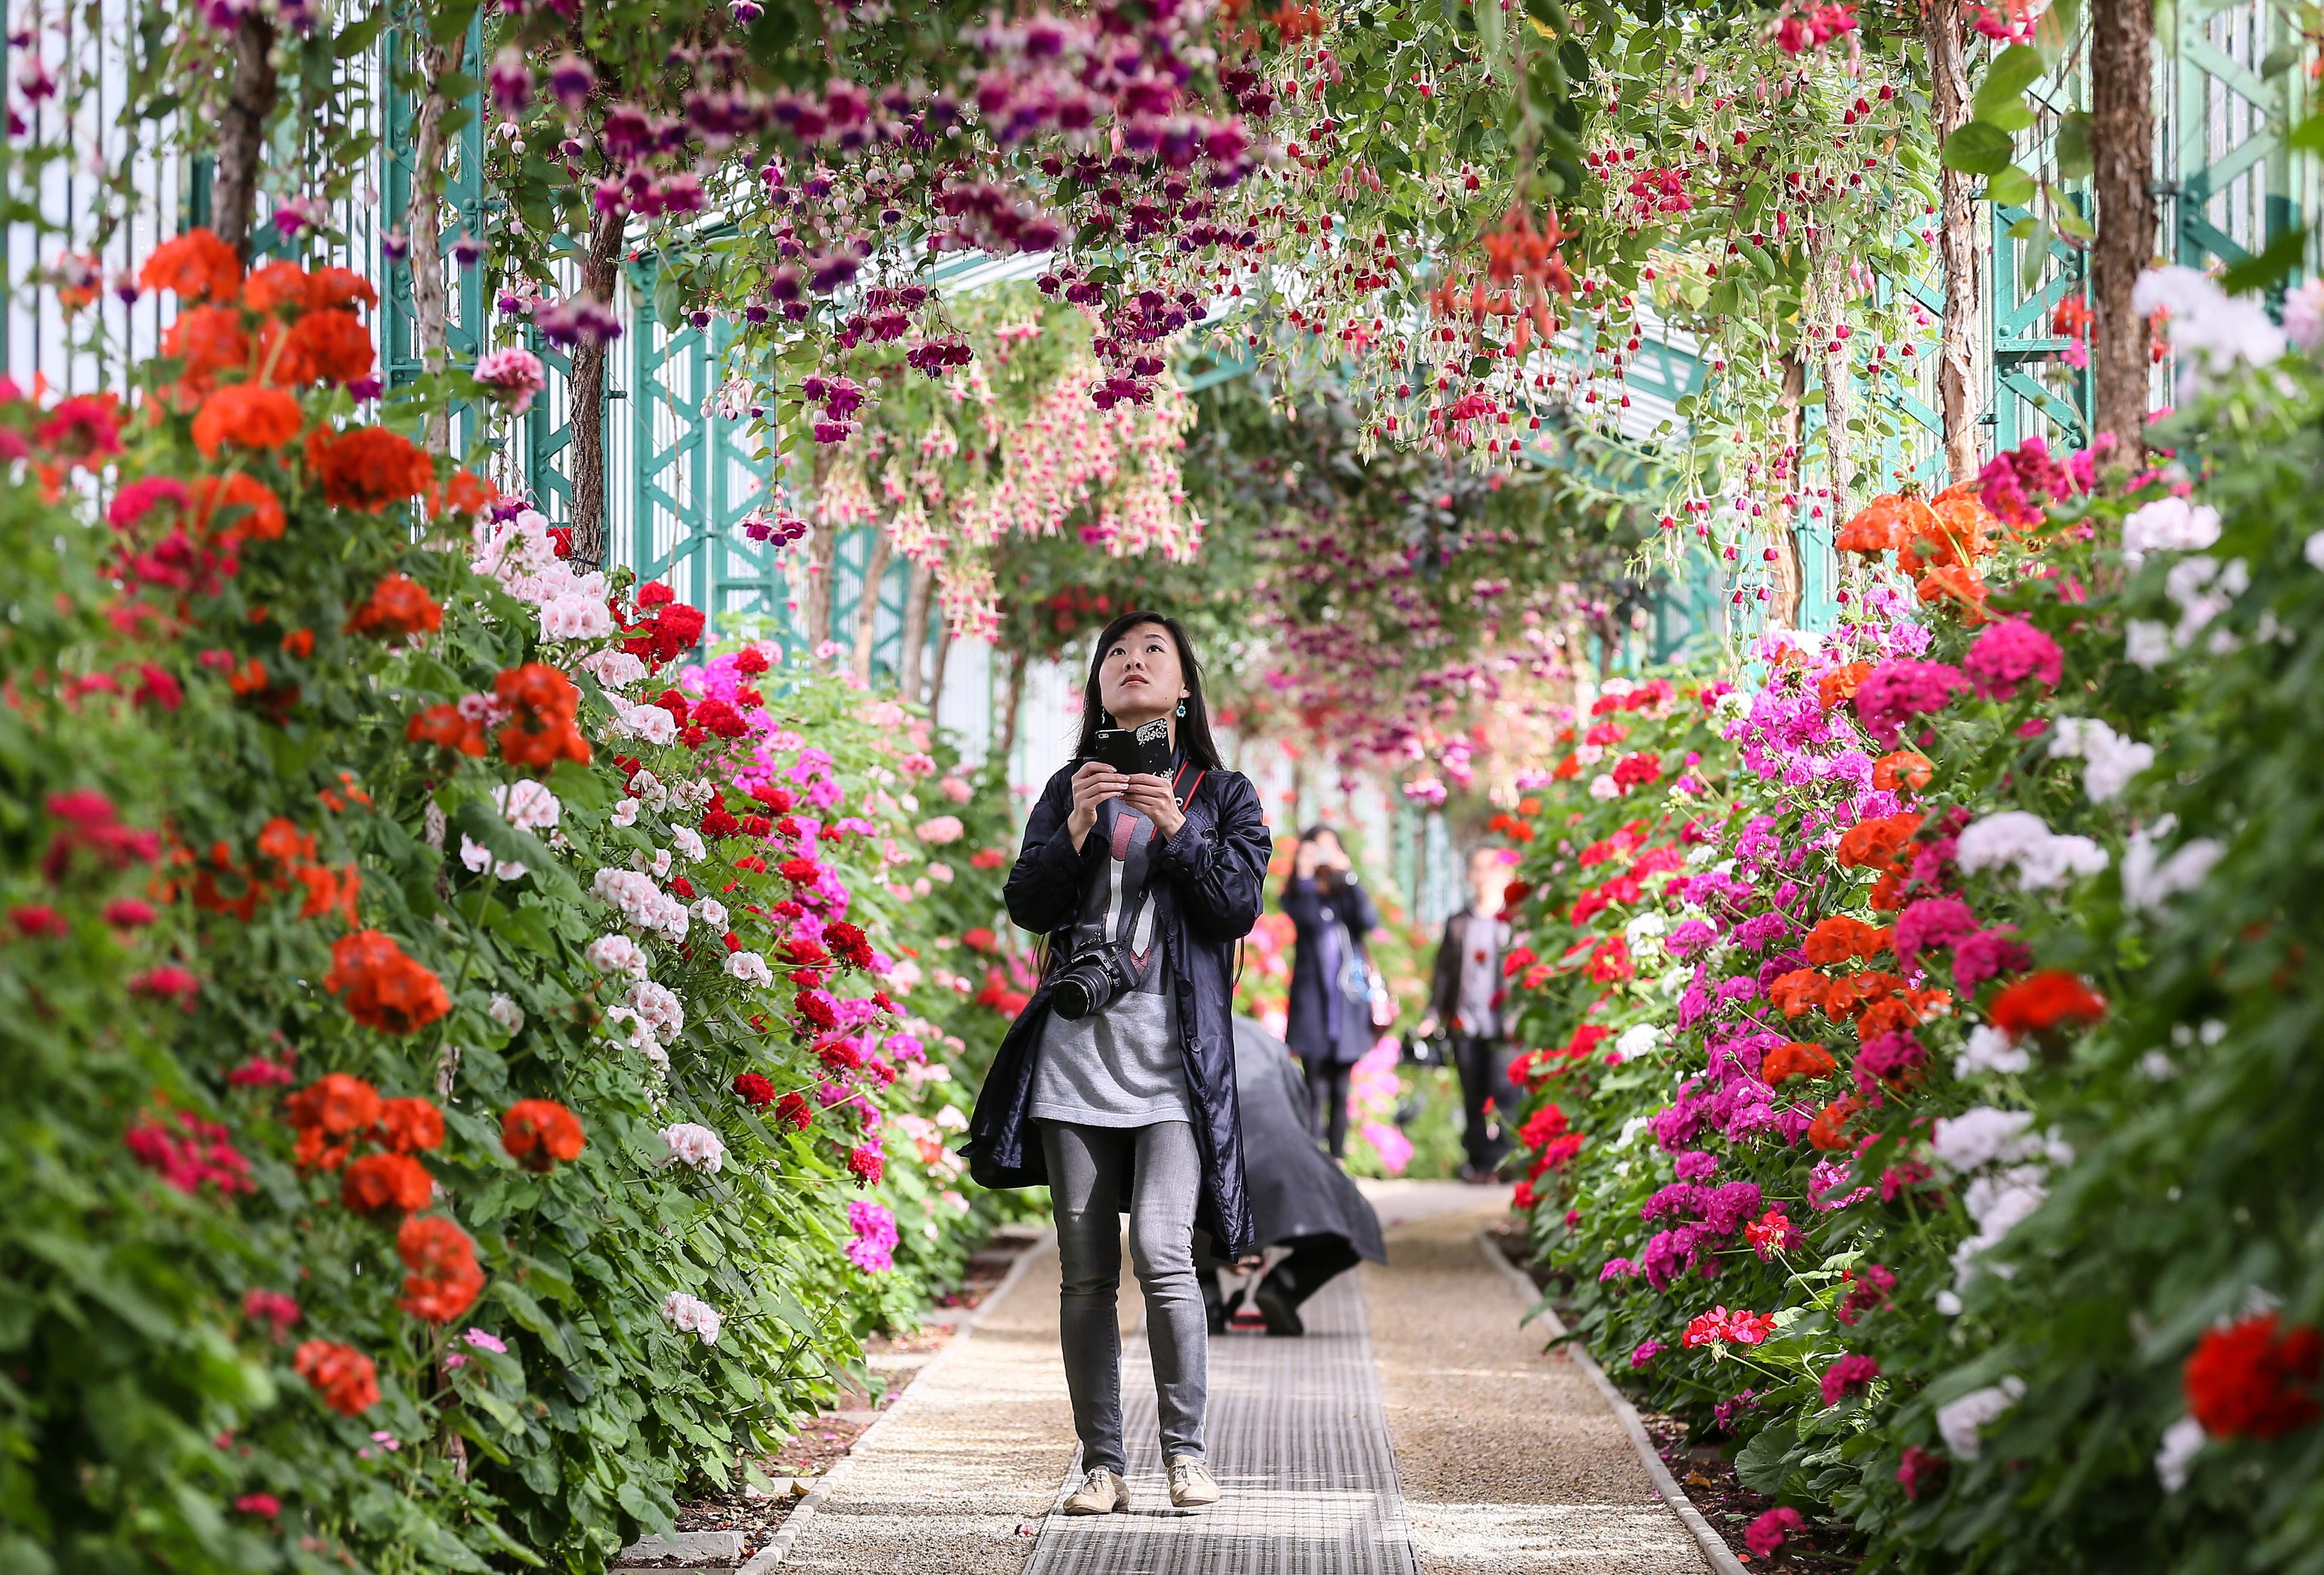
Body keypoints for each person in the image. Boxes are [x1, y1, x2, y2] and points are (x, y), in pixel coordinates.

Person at [963, 611, 1273, 1518]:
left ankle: (1186, 1454)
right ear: (1098, 687)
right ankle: (1102, 1464)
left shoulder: (1224, 792)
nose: (1132, 664)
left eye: (1153, 654)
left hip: (1173, 1065)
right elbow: (1026, 901)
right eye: (1116, 656)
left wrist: (1181, 828)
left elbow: (1236, 908)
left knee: (1165, 1257)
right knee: (1087, 1271)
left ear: (1183, 689)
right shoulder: (1070, 784)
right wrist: (1074, 826)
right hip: (1077, 1059)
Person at [1197, 1016, 1387, 1337]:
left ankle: (1207, 1301)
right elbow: (1300, 1114)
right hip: (1280, 1159)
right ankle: (1286, 1285)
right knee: (1356, 1221)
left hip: (1209, 1173)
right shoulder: (1261, 1038)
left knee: (1176, 1195)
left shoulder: (1185, 1032)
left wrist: (1228, 1245)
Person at [1419, 846, 1520, 1183]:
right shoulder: (1459, 922)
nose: (1483, 877)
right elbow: (1443, 973)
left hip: (1504, 1024)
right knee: (1473, 1095)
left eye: (1490, 869)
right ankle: (1479, 1163)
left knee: (1506, 1092)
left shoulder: (1514, 922)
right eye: (1477, 869)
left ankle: (1506, 1162)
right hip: (1467, 1021)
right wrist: (1434, 1014)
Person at [1279, 826, 1380, 1160]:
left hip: (1347, 1007)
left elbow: (1368, 920)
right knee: (1314, 1090)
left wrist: (1348, 876)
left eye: (1329, 849)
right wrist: (1305, 874)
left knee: (1341, 1090)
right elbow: (1305, 920)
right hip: (1314, 1008)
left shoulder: (1346, 895)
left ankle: (1336, 1161)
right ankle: (1310, 1164)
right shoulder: (1300, 893)